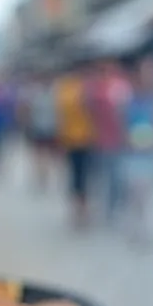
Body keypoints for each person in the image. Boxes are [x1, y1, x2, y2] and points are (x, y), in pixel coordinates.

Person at [122, 56, 153, 236]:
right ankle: (136, 226)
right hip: (133, 152)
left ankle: (141, 226)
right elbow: (123, 123)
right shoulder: (129, 97)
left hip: (150, 152)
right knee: (136, 192)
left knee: (145, 193)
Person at [86, 59, 131, 221]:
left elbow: (124, 115)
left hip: (117, 141)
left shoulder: (119, 88)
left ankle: (113, 207)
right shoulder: (96, 89)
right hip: (101, 140)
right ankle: (106, 207)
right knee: (103, 177)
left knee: (115, 177)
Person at [54, 67, 96, 228]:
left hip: (76, 139)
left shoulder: (64, 88)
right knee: (81, 176)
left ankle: (79, 209)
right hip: (81, 139)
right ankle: (81, 209)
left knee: (77, 176)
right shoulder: (81, 88)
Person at [21, 74, 57, 192]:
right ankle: (42, 176)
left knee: (42, 156)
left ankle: (43, 175)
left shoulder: (49, 95)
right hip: (40, 129)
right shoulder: (41, 95)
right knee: (41, 156)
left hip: (46, 129)